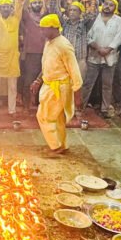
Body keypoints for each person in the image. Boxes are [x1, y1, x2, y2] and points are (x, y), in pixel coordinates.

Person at [33, 14, 83, 155]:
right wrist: (38, 80)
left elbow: (75, 72)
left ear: (53, 28)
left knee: (44, 116)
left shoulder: (64, 45)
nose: (41, 32)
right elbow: (46, 65)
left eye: (43, 29)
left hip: (59, 87)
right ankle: (62, 145)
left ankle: (55, 147)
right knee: (58, 118)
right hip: (50, 85)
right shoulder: (49, 42)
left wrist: (78, 96)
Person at [83, 0, 121, 118]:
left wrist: (108, 49)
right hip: (94, 56)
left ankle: (105, 109)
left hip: (110, 57)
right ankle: (80, 106)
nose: (107, 6)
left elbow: (119, 37)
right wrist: (98, 48)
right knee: (88, 83)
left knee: (107, 85)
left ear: (115, 8)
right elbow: (88, 36)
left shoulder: (118, 20)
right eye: (106, 4)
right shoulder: (94, 18)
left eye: (111, 5)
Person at [20, 0, 48, 111]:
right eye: (35, 2)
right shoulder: (27, 16)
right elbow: (21, 8)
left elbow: (50, 7)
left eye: (39, 2)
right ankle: (26, 105)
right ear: (30, 5)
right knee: (29, 79)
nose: (37, 4)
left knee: (43, 80)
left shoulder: (45, 17)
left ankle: (38, 104)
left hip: (45, 53)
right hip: (31, 53)